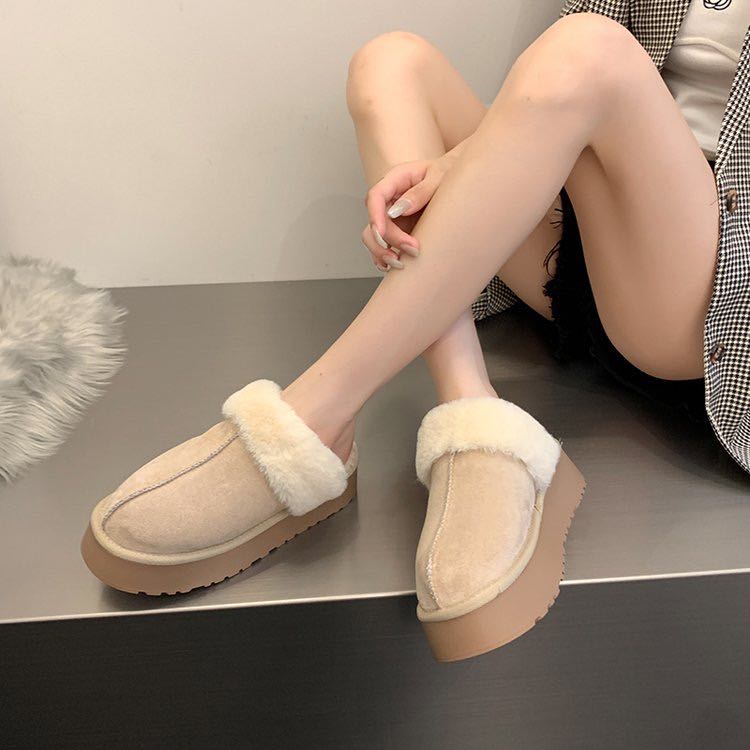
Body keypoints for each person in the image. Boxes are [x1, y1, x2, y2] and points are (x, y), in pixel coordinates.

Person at [80, 1, 750, 661]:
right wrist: (465, 163)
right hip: (589, 247)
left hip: (707, 299)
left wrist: (461, 163)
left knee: (590, 47)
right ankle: (471, 408)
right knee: (391, 62)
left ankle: (314, 416)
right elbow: (567, 91)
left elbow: (595, 66)